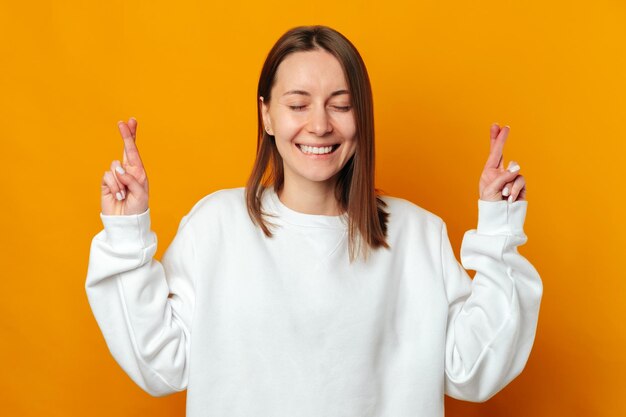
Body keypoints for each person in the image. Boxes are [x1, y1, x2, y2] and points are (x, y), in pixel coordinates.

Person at [85, 25, 542, 417]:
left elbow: (473, 369)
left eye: (341, 104)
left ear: (362, 115)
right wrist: (126, 233)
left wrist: (499, 230)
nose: (320, 125)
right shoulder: (216, 226)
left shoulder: (418, 234)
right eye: (298, 104)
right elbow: (159, 363)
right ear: (266, 114)